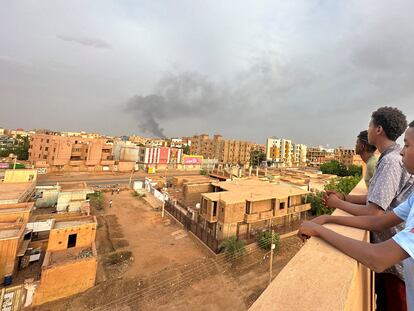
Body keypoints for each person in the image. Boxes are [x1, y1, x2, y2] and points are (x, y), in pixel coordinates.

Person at [298, 120, 414, 311]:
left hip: (396, 266)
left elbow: (377, 253)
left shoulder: (390, 161)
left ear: (378, 129)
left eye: (408, 145)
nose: (402, 151)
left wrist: (320, 229)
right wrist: (328, 218)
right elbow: (379, 221)